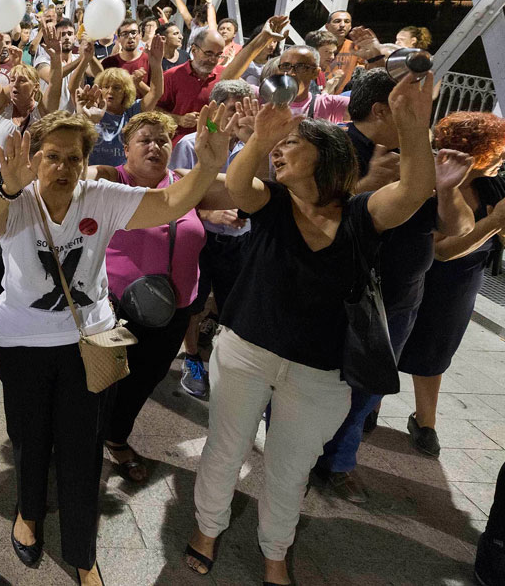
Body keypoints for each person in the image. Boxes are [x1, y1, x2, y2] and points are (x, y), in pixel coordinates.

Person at [185, 73, 437, 586]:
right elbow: (236, 185)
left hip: (320, 373)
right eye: (277, 149)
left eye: (290, 146)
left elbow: (413, 189)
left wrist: (414, 128)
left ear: (325, 156)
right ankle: (208, 528)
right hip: (245, 351)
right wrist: (261, 135)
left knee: (290, 466)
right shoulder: (272, 205)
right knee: (225, 447)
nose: (279, 155)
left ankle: (275, 549)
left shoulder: (363, 216)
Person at [0, 105, 231, 585]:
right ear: (33, 159)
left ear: (87, 159)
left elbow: (171, 203)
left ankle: (82, 550)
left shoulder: (103, 196)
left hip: (89, 340)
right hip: (23, 342)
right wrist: (7, 186)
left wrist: (210, 165)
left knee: (83, 445)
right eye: (52, 156)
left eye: (74, 158)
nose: (63, 168)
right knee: (29, 436)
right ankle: (28, 513)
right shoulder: (16, 197)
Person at [311, 72, 475, 501]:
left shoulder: (420, 156)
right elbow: (304, 221)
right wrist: (364, 186)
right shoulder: (327, 147)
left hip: (398, 302)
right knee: (310, 382)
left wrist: (446, 191)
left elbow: (458, 228)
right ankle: (295, 455)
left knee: (368, 390)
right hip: (332, 295)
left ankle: (339, 462)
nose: (426, 118)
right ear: (384, 109)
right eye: (416, 105)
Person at [93, 111, 235, 483]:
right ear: (126, 148)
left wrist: (233, 153)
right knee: (103, 381)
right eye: (145, 140)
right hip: (117, 308)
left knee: (146, 379)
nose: (155, 146)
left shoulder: (189, 183)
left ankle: (115, 435)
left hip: (175, 309)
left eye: (163, 140)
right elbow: (81, 177)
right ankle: (84, 441)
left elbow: (243, 187)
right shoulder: (112, 179)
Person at [397, 112, 505, 458]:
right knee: (393, 341)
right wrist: (494, 222)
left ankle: (425, 421)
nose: (502, 160)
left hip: (460, 285)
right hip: (419, 276)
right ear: (478, 151)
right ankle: (369, 407)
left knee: (436, 350)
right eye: (498, 152)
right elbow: (442, 251)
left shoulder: (492, 187)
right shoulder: (432, 184)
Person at [168, 79, 258, 399]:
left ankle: (227, 362)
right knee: (193, 304)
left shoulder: (255, 149)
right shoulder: (190, 144)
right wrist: (210, 215)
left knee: (236, 304)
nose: (242, 117)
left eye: (248, 110)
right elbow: (173, 198)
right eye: (235, 109)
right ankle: (192, 360)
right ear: (217, 110)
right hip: (200, 240)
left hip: (241, 241)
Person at [0, 29, 64, 318]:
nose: (15, 83)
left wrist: (56, 60)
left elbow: (55, 88)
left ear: (35, 87)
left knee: (28, 238)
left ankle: (26, 288)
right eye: (13, 79)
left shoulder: (43, 112)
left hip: (32, 184)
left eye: (22, 79)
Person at [85, 34, 167, 166]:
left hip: (121, 178)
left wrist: (156, 64)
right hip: (93, 175)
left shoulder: (132, 111)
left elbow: (156, 93)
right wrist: (86, 58)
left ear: (126, 92)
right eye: (106, 87)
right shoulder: (91, 108)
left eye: (117, 88)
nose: (110, 91)